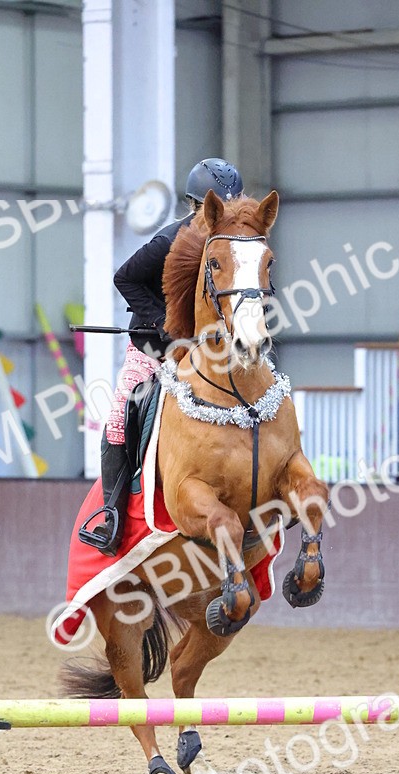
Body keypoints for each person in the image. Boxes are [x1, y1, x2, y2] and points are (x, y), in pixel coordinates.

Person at [83, 157, 243, 556]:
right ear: (198, 207)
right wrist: (163, 322)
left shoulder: (236, 246)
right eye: (215, 212)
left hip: (213, 353)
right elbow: (124, 277)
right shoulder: (171, 240)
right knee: (120, 420)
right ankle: (111, 517)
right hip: (156, 349)